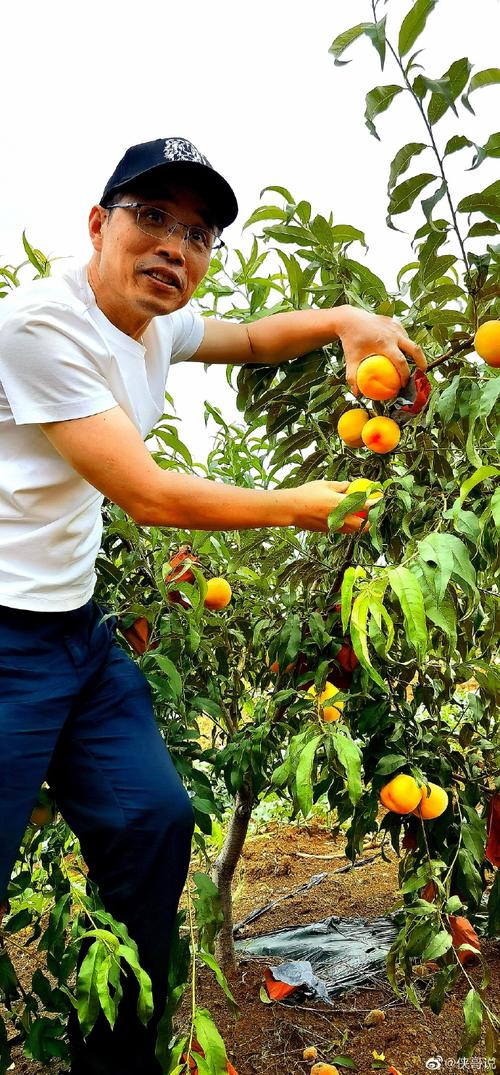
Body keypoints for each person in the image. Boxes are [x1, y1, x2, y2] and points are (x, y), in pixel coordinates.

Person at [0, 137, 426, 1074]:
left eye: (197, 235)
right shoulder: (38, 325)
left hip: (75, 631)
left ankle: (114, 1062)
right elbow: (150, 494)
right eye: (152, 218)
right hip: (3, 638)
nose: (174, 249)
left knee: (154, 821)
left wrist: (350, 318)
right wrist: (308, 506)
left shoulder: (156, 328)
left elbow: (252, 336)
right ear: (98, 223)